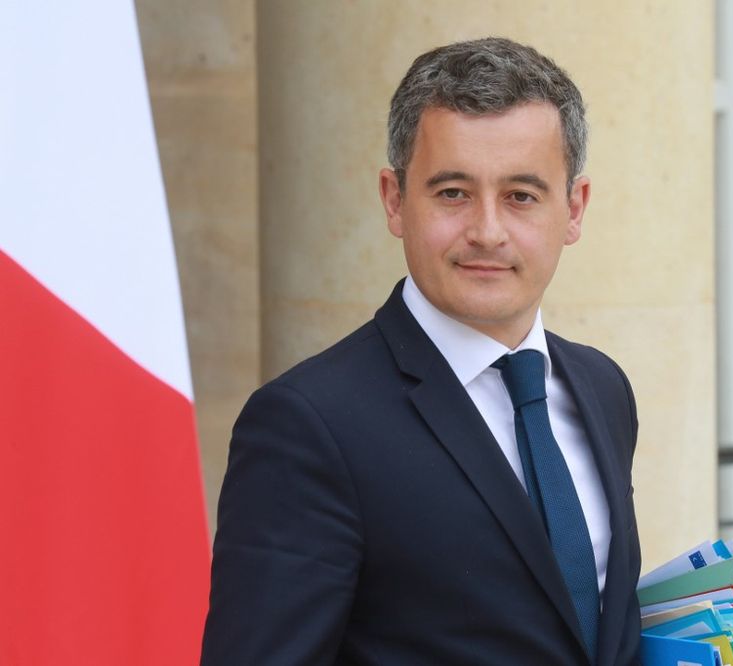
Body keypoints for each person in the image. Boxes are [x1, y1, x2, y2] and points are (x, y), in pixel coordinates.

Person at [201, 37, 641, 665]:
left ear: (573, 209)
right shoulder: (307, 425)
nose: (487, 231)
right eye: (453, 193)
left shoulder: (602, 389)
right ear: (393, 199)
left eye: (521, 195)